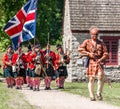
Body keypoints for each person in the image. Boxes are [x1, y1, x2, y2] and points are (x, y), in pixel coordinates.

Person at [78, 26, 108, 101]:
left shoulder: (101, 43)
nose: (94, 36)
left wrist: (101, 59)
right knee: (91, 79)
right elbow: (80, 49)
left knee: (101, 77)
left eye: (96, 34)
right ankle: (91, 95)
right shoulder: (87, 42)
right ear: (90, 34)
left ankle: (99, 93)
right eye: (93, 34)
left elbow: (106, 53)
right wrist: (88, 53)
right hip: (91, 62)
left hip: (99, 62)